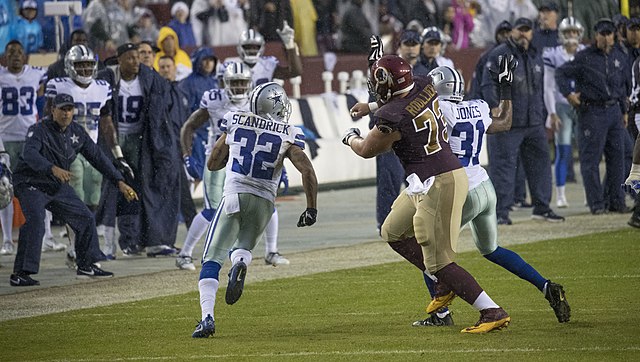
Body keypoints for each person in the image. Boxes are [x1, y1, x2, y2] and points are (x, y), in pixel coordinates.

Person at [347, 53, 509, 334]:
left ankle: (491, 310)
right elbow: (398, 97)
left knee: (439, 260)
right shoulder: (424, 84)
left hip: (440, 182)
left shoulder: (391, 116)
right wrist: (370, 104)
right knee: (393, 230)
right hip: (424, 180)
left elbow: (366, 149)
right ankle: (444, 284)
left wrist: (350, 136)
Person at [411, 65, 571, 326]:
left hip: (460, 189)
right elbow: (505, 122)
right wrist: (506, 90)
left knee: (430, 250)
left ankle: (442, 314)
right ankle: (546, 287)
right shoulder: (478, 106)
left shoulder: (440, 110)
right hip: (485, 185)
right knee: (491, 249)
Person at [191, 82, 318, 337]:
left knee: (211, 259)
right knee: (243, 247)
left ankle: (207, 318)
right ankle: (239, 262)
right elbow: (307, 170)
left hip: (234, 194)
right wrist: (311, 208)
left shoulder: (235, 119)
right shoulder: (289, 132)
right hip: (264, 202)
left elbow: (214, 160)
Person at [9, 93, 138, 286]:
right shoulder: (38, 130)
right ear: (53, 110)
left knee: (85, 217)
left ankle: (86, 264)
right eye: (62, 109)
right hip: (31, 182)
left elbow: (98, 157)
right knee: (35, 219)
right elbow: (29, 155)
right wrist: (52, 168)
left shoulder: (76, 132)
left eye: (69, 109)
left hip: (55, 184)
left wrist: (119, 181)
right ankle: (20, 273)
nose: (66, 113)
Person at [218, 24, 303, 265]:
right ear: (239, 48)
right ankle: (234, 248)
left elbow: (295, 71)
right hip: (243, 126)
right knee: (240, 194)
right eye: (248, 47)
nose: (252, 50)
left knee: (261, 191)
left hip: (265, 128)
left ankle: (264, 250)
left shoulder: (268, 63)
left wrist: (289, 45)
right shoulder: (230, 67)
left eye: (255, 46)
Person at [96, 43, 181, 257]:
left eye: (137, 58)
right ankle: (110, 243)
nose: (136, 62)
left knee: (140, 187)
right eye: (131, 58)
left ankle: (140, 240)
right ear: (119, 59)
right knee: (113, 187)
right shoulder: (108, 77)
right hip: (112, 137)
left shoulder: (149, 78)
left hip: (139, 139)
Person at [481, 17, 564, 225]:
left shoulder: (535, 55)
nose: (524, 35)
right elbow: (487, 85)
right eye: (520, 30)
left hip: (533, 121)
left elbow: (540, 88)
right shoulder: (500, 54)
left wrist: (544, 114)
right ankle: (500, 212)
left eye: (527, 31)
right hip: (508, 122)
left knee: (541, 166)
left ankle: (542, 207)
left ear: (532, 33)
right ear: (513, 32)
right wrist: (495, 107)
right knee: (503, 168)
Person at [176, 61, 253, 271]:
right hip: (217, 161)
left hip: (241, 164)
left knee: (236, 210)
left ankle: (231, 251)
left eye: (242, 83)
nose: (238, 87)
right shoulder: (214, 99)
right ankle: (185, 253)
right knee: (213, 210)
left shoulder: (255, 103)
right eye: (234, 83)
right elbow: (188, 126)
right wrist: (187, 156)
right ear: (225, 83)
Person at [556, 18, 631, 214]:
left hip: (614, 110)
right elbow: (561, 73)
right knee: (591, 161)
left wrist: (623, 111)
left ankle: (616, 201)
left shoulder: (620, 56)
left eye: (609, 33)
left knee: (618, 158)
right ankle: (596, 204)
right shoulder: (584, 56)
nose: (605, 37)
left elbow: (622, 86)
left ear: (614, 35)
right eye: (602, 33)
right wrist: (568, 94)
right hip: (592, 111)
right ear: (595, 35)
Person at [0, 40, 53, 256]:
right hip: (4, 138)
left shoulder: (36, 73)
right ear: (5, 56)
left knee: (40, 186)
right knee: (4, 189)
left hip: (30, 138)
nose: (15, 56)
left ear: (25, 56)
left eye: (19, 52)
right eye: (11, 52)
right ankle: (6, 240)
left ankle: (47, 236)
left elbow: (45, 96)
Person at [542, 17, 585, 208]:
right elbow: (548, 87)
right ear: (561, 34)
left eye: (574, 32)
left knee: (587, 153)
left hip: (584, 106)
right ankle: (560, 195)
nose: (572, 36)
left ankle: (589, 194)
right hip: (562, 106)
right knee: (563, 151)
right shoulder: (553, 55)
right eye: (568, 32)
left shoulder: (585, 53)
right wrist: (552, 112)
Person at [156, 55, 197, 233]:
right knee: (174, 193)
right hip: (166, 149)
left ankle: (193, 227)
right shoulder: (158, 92)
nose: (165, 70)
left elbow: (188, 121)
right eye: (162, 67)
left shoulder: (181, 92)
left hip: (180, 148)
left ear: (174, 68)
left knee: (182, 190)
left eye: (168, 66)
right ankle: (191, 227)